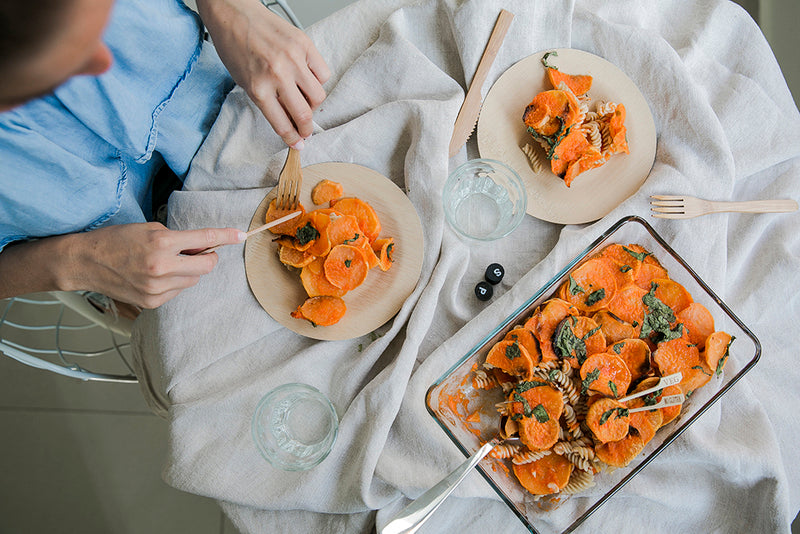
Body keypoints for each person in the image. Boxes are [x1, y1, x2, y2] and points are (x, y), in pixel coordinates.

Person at [0, 0, 330, 310]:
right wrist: (73, 263)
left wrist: (230, 8)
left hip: (224, 96)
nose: (105, 65)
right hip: (118, 247)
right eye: (59, 65)